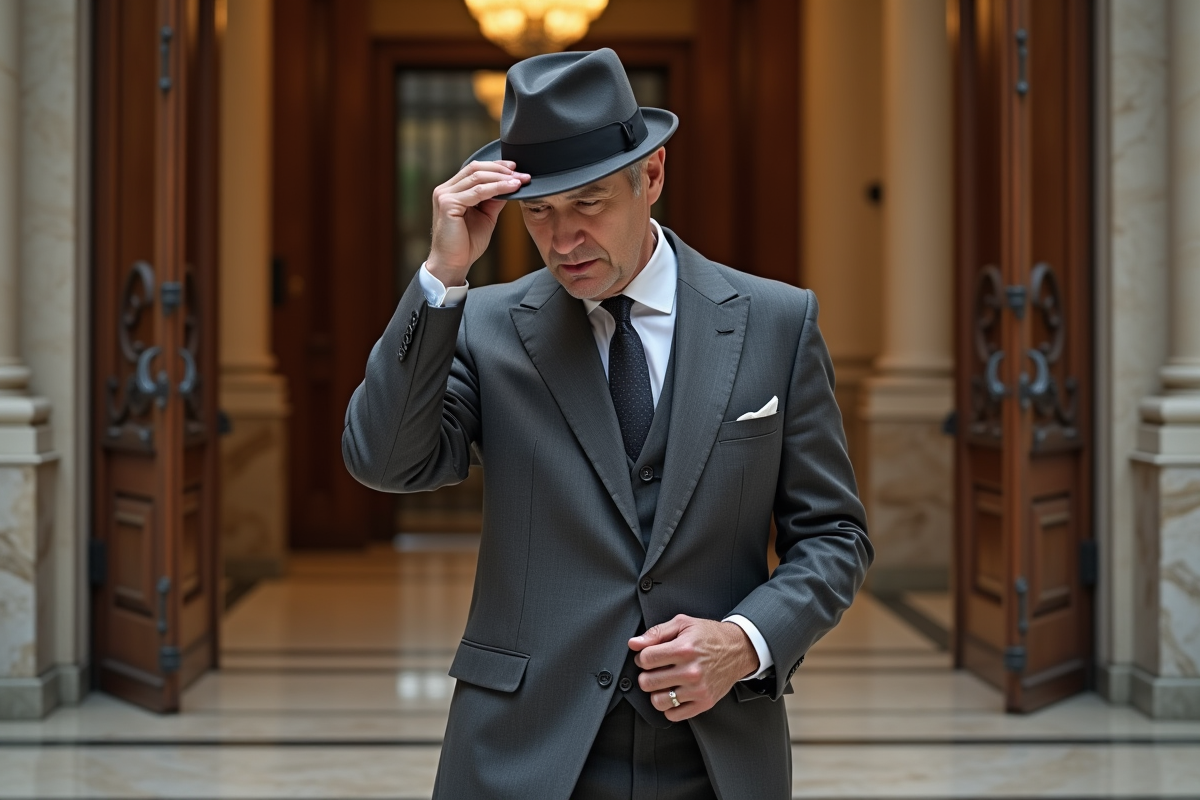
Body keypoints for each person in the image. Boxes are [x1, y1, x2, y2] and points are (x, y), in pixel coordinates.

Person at [343, 47, 872, 800]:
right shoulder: (484, 327)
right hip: (520, 752)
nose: (562, 242)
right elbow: (384, 461)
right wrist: (442, 278)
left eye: (588, 203)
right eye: (539, 213)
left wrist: (744, 641)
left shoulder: (776, 322)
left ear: (651, 176)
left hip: (716, 754)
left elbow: (834, 536)